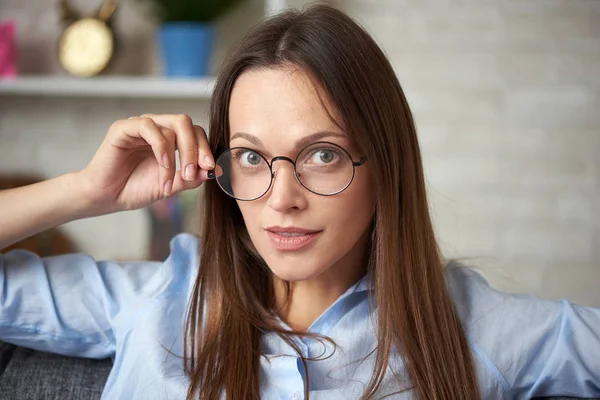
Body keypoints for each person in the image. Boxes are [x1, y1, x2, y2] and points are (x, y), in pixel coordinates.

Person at [0, 4, 598, 400]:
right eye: (253, 157)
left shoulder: (470, 326)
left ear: (383, 165)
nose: (281, 201)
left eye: (322, 155)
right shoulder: (160, 298)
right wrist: (85, 190)